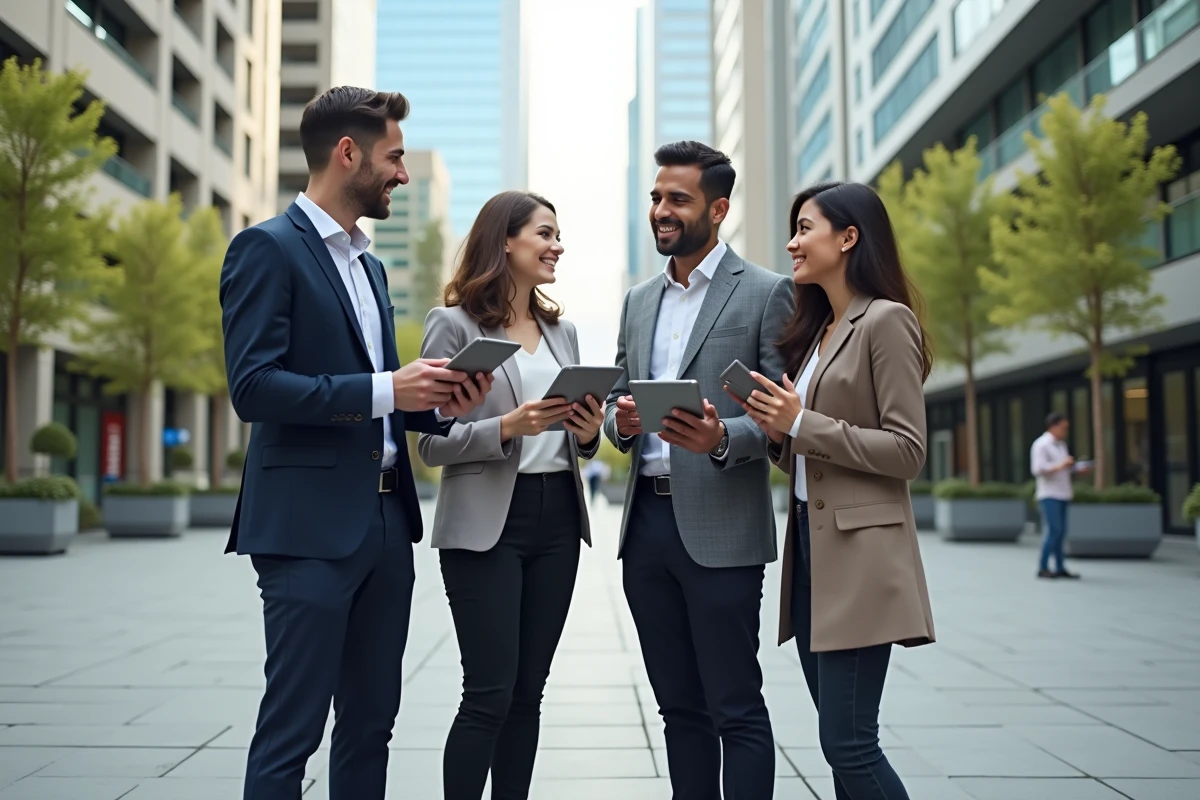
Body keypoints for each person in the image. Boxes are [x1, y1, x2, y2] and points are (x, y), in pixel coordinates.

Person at [220, 86, 492, 800]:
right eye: (394, 157)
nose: (402, 173)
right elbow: (253, 387)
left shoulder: (370, 266)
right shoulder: (265, 249)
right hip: (306, 531)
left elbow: (384, 399)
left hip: (384, 527)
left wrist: (436, 404)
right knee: (291, 734)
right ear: (348, 154)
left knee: (372, 727)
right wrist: (384, 390)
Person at [602, 141, 793, 800]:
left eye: (676, 199)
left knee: (735, 708)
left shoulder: (769, 292)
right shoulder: (637, 301)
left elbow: (778, 414)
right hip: (647, 529)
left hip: (723, 530)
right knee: (678, 710)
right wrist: (619, 424)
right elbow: (613, 396)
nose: (661, 210)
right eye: (657, 197)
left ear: (718, 208)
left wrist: (720, 438)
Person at [734, 181, 935, 800]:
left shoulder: (886, 321)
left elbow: (907, 451)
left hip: (859, 558)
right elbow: (813, 452)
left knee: (850, 744)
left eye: (805, 228)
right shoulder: (820, 331)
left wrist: (800, 423)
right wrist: (776, 431)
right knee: (840, 741)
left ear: (849, 238)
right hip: (812, 554)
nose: (792, 243)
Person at [417, 191, 605, 800]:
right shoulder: (453, 324)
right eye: (545, 234)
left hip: (557, 523)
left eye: (558, 235)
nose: (557, 246)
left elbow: (581, 444)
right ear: (505, 241)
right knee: (489, 693)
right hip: (485, 526)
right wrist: (506, 427)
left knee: (529, 693)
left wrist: (588, 432)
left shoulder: (563, 331)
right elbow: (431, 444)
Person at [1031, 411, 1087, 579]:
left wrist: (1075, 468)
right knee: (1053, 530)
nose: (1065, 431)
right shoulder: (1041, 445)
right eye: (1063, 428)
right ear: (1053, 426)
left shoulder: (1061, 445)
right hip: (1049, 494)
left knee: (1061, 532)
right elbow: (1038, 469)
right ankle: (1043, 567)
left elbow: (1063, 468)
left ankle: (1060, 567)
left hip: (1063, 493)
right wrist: (1062, 464)